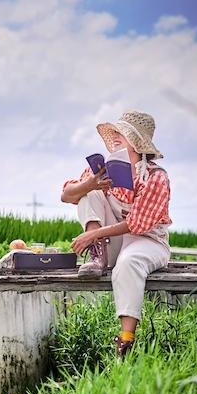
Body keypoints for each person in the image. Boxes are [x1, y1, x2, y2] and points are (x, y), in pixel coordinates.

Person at [61, 110, 172, 358]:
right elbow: (66, 195)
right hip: (112, 240)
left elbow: (136, 223)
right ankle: (97, 256)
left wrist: (93, 233)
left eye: (123, 133)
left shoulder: (156, 177)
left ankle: (125, 342)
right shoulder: (106, 169)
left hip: (148, 240)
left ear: (137, 142)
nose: (116, 137)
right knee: (88, 194)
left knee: (128, 262)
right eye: (116, 133)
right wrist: (91, 184)